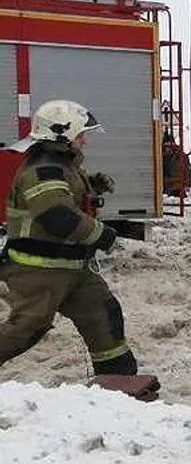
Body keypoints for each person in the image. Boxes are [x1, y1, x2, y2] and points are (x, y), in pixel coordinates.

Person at [0, 100, 136, 374]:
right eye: (80, 135)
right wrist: (103, 235)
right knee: (26, 328)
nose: (84, 141)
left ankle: (117, 377)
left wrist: (93, 183)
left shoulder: (62, 164)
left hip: (70, 268)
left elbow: (65, 190)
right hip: (37, 269)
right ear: (61, 135)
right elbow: (57, 216)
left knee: (102, 312)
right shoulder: (43, 169)